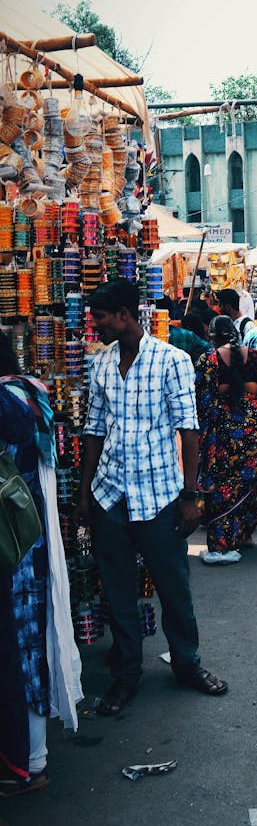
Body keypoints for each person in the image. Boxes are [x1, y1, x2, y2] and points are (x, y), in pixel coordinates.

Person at [78, 280, 227, 715]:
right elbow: (94, 430)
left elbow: (189, 430)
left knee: (173, 587)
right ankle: (126, 673)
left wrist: (190, 495)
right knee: (118, 590)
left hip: (159, 495)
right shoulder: (101, 363)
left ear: (123, 315)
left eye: (100, 319)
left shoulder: (172, 361)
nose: (96, 327)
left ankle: (187, 663)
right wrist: (86, 492)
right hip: (111, 495)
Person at [0, 336, 82, 797]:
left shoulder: (12, 401)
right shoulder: (30, 392)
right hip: (27, 538)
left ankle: (29, 762)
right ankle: (32, 758)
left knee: (20, 645)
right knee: (27, 642)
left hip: (13, 543)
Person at [194, 316, 257, 564]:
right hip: (252, 430)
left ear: (213, 336)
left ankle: (222, 543)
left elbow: (202, 401)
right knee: (248, 482)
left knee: (221, 485)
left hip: (221, 433)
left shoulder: (208, 360)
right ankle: (244, 535)